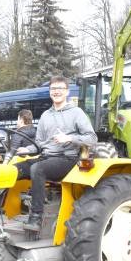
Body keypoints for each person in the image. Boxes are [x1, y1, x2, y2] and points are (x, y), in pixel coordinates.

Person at [15, 76, 97, 232]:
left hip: (68, 159)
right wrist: (28, 150)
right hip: (47, 157)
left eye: (60, 88)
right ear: (49, 92)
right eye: (53, 89)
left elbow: (92, 138)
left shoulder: (76, 113)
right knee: (14, 169)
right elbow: (39, 143)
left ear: (66, 91)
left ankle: (36, 218)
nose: (56, 91)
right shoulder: (46, 115)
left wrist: (69, 138)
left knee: (38, 169)